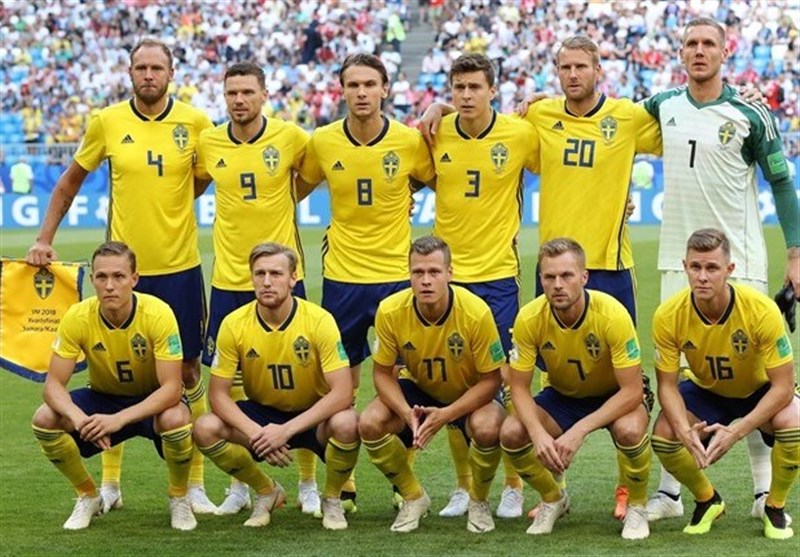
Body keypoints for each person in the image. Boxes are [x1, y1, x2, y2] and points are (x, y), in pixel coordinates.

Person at [25, 38, 217, 514]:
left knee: (188, 372)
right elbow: (69, 182)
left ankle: (193, 485)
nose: (148, 75)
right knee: (110, 373)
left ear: (171, 73)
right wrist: (44, 237)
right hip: (122, 270)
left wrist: (172, 205)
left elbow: (206, 177)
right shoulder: (107, 122)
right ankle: (109, 484)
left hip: (180, 268)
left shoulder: (196, 123)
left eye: (157, 68)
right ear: (130, 73)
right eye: (140, 67)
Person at [643, 17, 800, 523]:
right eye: (690, 43)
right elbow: (604, 118)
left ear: (725, 52)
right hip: (676, 262)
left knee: (748, 377)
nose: (699, 50)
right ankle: (670, 493)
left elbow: (782, 183)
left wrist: (796, 253)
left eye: (708, 43)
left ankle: (762, 491)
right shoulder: (662, 105)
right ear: (680, 52)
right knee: (679, 375)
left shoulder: (751, 112)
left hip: (741, 263)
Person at [297, 53, 436, 512]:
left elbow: (442, 181)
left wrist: (406, 192)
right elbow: (294, 189)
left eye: (369, 84)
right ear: (342, 91)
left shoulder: (408, 140)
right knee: (340, 382)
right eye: (353, 85)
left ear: (385, 89)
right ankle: (345, 481)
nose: (361, 92)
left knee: (403, 381)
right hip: (342, 277)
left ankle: (403, 480)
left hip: (396, 276)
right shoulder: (322, 141)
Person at [194, 61, 315, 517]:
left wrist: (283, 200)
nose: (239, 100)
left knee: (304, 379)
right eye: (232, 93)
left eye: (247, 92)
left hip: (284, 278)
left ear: (264, 94)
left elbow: (313, 173)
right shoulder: (209, 142)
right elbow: (196, 183)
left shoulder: (290, 136)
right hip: (229, 278)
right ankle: (243, 485)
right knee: (230, 385)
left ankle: (307, 482)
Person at [425, 52, 537, 520]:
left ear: (493, 91)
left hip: (497, 277)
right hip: (452, 277)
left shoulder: (520, 134)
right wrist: (436, 110)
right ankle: (463, 487)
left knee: (509, 380)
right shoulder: (434, 133)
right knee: (458, 384)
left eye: (475, 87)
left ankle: (513, 486)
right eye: (458, 88)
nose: (466, 95)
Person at [192, 243, 359, 531]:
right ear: (252, 278)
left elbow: (343, 392)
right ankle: (266, 491)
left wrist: (285, 431)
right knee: (205, 427)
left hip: (311, 416)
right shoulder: (233, 324)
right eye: (260, 274)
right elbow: (218, 395)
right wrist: (256, 433)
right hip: (262, 414)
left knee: (348, 423)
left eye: (276, 274)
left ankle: (331, 498)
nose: (267, 282)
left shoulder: (319, 321)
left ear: (293, 278)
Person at [31, 241, 197, 531]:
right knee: (45, 418)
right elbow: (53, 386)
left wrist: (117, 420)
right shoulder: (77, 316)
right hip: (104, 398)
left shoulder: (158, 314)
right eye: (102, 277)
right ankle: (88, 495)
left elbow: (172, 389)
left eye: (118, 276)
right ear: (92, 279)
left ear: (134, 278)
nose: (109, 286)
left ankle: (179, 497)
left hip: (151, 401)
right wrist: (80, 420)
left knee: (176, 418)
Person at [651, 228, 798, 539]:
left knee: (795, 422)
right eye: (695, 267)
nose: (702, 277)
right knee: (664, 435)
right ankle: (708, 500)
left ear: (729, 269)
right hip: (707, 391)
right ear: (685, 266)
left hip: (759, 391)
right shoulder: (668, 315)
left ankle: (774, 506)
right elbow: (666, 386)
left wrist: (736, 432)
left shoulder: (761, 310)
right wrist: (684, 431)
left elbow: (784, 386)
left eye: (712, 268)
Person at [500, 238, 651, 539]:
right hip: (564, 395)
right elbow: (518, 388)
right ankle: (553, 499)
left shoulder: (612, 314)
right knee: (512, 433)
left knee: (630, 431)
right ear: (541, 279)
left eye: (566, 275)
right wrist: (538, 434)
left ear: (584, 277)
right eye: (549, 277)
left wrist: (579, 430)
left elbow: (633, 391)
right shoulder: (529, 318)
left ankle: (637, 506)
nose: (557, 285)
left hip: (616, 395)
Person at [359, 236, 506, 533]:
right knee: (369, 422)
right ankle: (413, 497)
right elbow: (382, 374)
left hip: (468, 390)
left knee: (488, 426)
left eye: (434, 272)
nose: (425, 280)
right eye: (418, 272)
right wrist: (406, 413)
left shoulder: (476, 312)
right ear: (409, 274)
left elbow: (492, 380)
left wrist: (446, 415)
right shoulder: (390, 310)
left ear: (450, 273)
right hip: (419, 387)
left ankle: (478, 501)